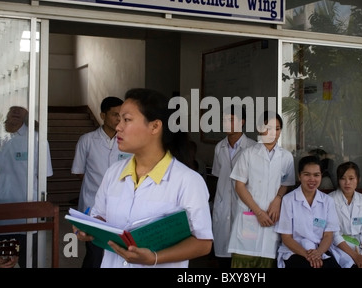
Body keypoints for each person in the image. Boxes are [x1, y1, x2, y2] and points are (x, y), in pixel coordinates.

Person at [73, 88, 213, 268]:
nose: (118, 127)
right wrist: (88, 227)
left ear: (155, 126)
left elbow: (203, 243)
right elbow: (100, 216)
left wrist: (154, 258)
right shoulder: (113, 173)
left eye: (127, 120)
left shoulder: (187, 181)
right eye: (119, 119)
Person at [228, 111, 295, 268]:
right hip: (250, 215)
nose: (273, 133)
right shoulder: (248, 154)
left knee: (267, 257)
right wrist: (258, 212)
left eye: (277, 128)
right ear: (260, 128)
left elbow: (287, 183)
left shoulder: (286, 157)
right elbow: (239, 186)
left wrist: (278, 199)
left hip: (272, 216)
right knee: (244, 260)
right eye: (268, 128)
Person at [71, 96, 132, 268]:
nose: (119, 120)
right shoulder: (87, 140)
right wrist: (102, 188)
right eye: (114, 115)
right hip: (92, 205)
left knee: (117, 254)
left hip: (121, 207)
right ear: (102, 115)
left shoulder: (127, 142)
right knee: (95, 253)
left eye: (122, 115)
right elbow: (78, 172)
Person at [0, 106, 53, 268]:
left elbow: (44, 177)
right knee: (3, 261)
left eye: (19, 109)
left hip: (27, 213)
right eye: (12, 109)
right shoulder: (0, 138)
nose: (15, 111)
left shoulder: (37, 140)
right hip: (1, 213)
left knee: (30, 262)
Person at [275, 155, 340, 268]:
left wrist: (318, 253)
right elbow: (286, 238)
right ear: (299, 176)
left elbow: (328, 235)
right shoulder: (288, 200)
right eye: (307, 174)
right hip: (295, 251)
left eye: (316, 175)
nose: (312, 179)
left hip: (319, 250)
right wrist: (307, 255)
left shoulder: (328, 201)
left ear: (321, 176)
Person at [211, 105, 256, 268]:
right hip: (222, 207)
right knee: (223, 258)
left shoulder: (253, 148)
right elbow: (218, 176)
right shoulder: (219, 147)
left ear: (242, 122)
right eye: (224, 120)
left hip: (246, 209)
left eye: (231, 120)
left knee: (243, 258)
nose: (226, 123)